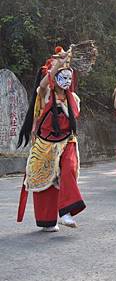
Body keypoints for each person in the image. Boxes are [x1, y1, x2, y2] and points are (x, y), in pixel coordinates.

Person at [17, 47, 85, 231]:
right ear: (55, 77)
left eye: (69, 77)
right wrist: (58, 66)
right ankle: (48, 220)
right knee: (45, 183)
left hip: (66, 140)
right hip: (45, 143)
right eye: (63, 77)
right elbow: (42, 85)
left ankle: (65, 212)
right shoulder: (47, 94)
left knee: (69, 168)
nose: (67, 81)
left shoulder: (73, 99)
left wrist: (64, 65)